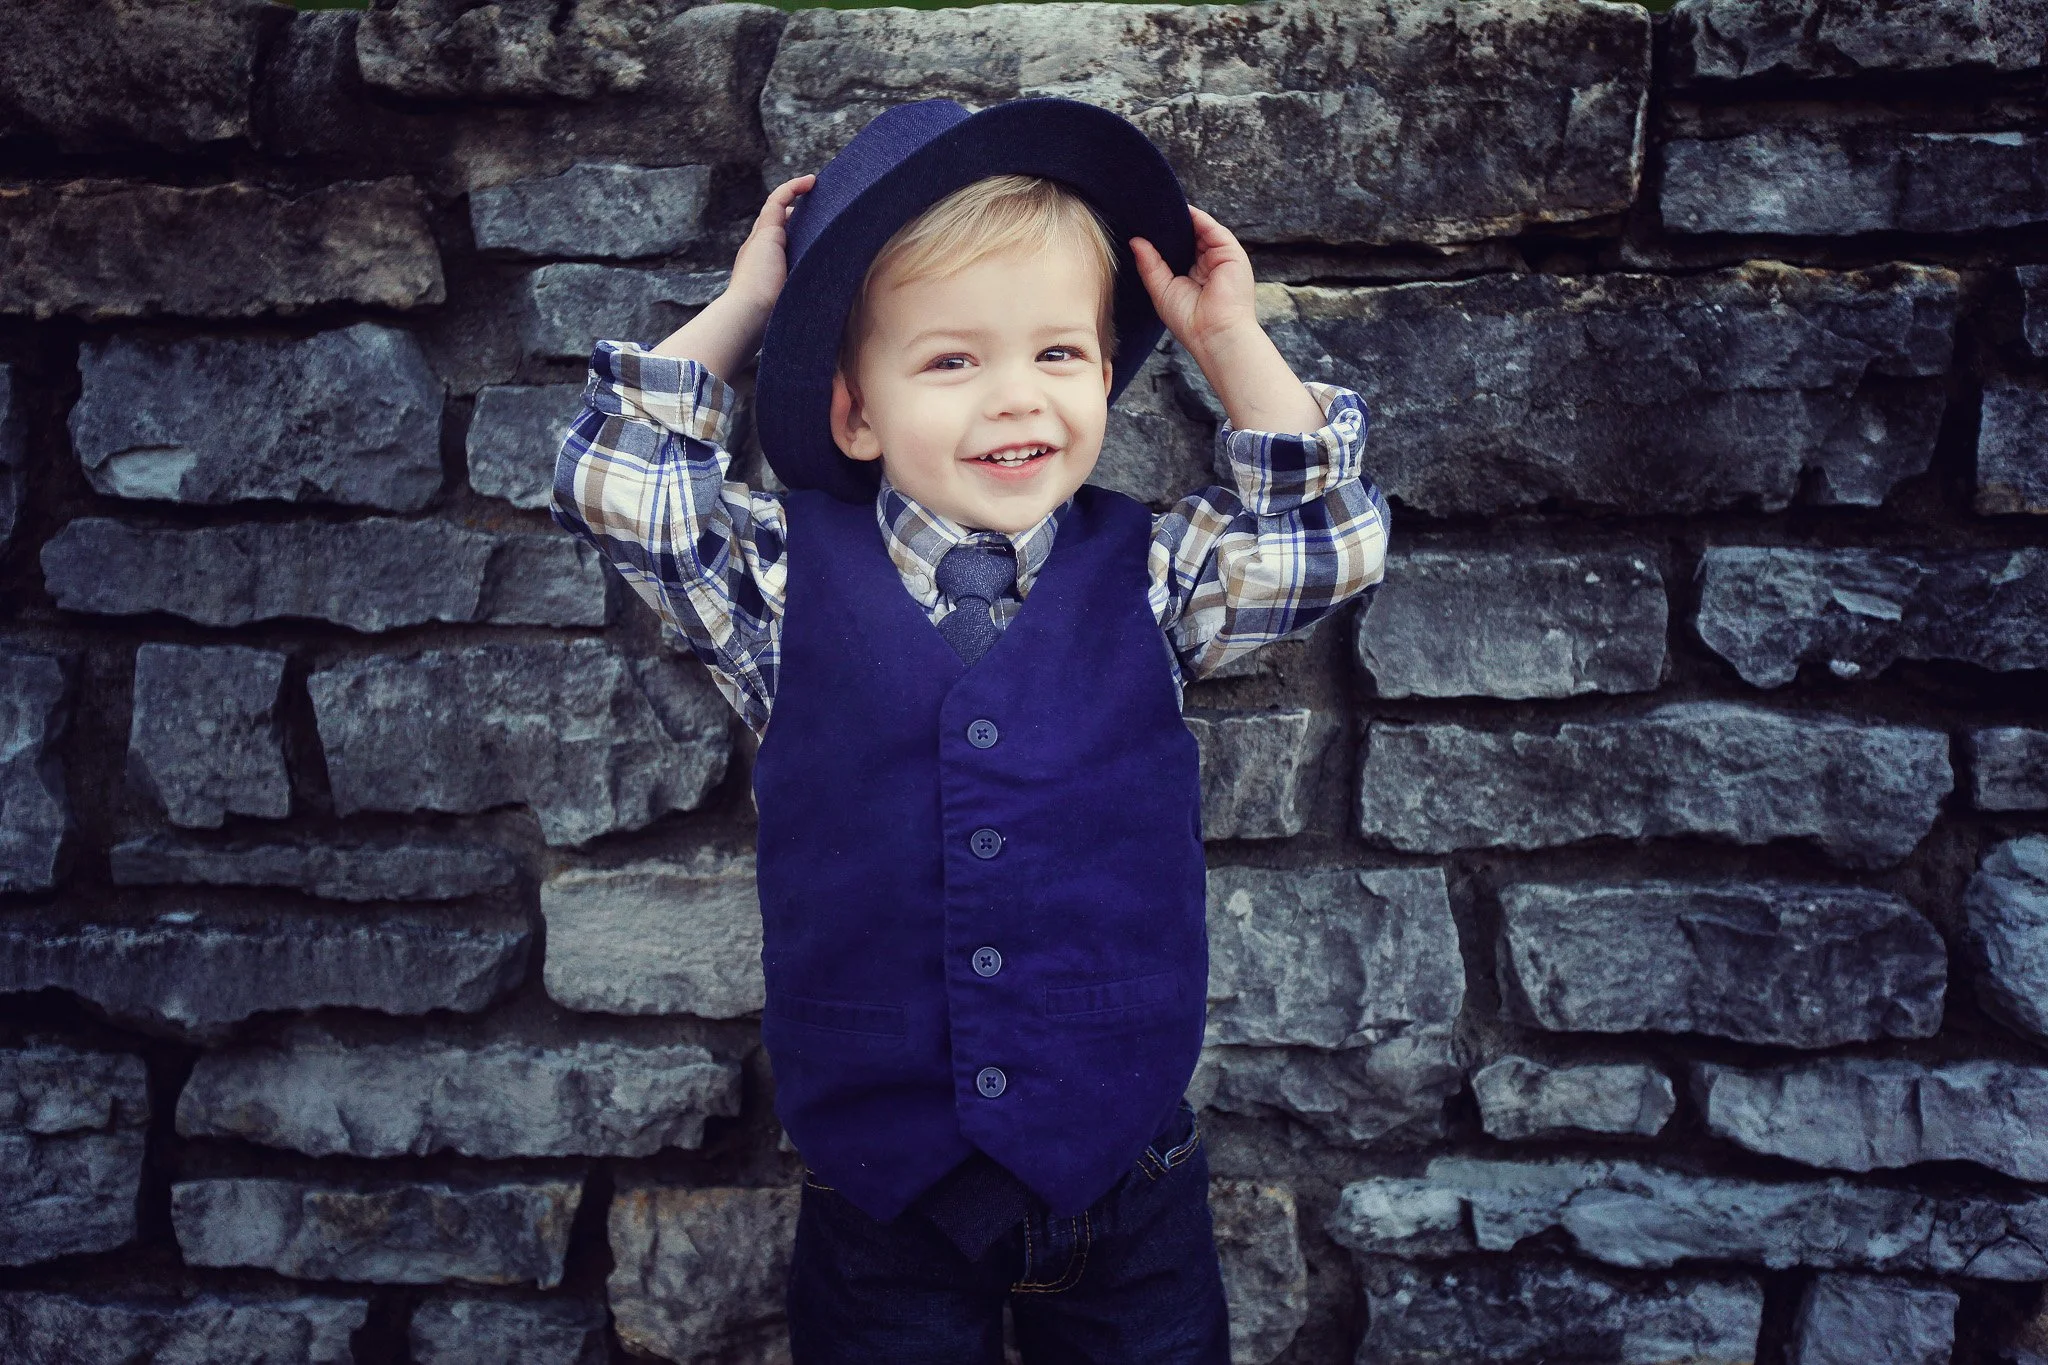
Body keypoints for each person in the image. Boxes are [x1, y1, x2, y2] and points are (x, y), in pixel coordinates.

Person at [553, 96, 1389, 1364]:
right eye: (950, 362)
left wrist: (1232, 345)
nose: (1018, 399)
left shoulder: (1155, 578)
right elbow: (622, 484)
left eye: (1060, 355)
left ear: (1105, 378)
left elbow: (1321, 546)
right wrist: (746, 313)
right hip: (881, 1187)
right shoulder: (781, 588)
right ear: (853, 413)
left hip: (1125, 1175)